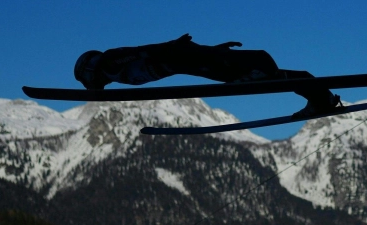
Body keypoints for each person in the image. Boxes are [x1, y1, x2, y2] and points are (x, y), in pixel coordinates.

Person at [74, 34, 340, 118]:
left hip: (184, 57)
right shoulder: (111, 73)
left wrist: (174, 45)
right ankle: (322, 99)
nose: (92, 87)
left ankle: (316, 95)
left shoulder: (110, 60)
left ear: (89, 69)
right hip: (191, 61)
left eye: (88, 82)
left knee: (240, 72)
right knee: (270, 75)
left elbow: (143, 51)